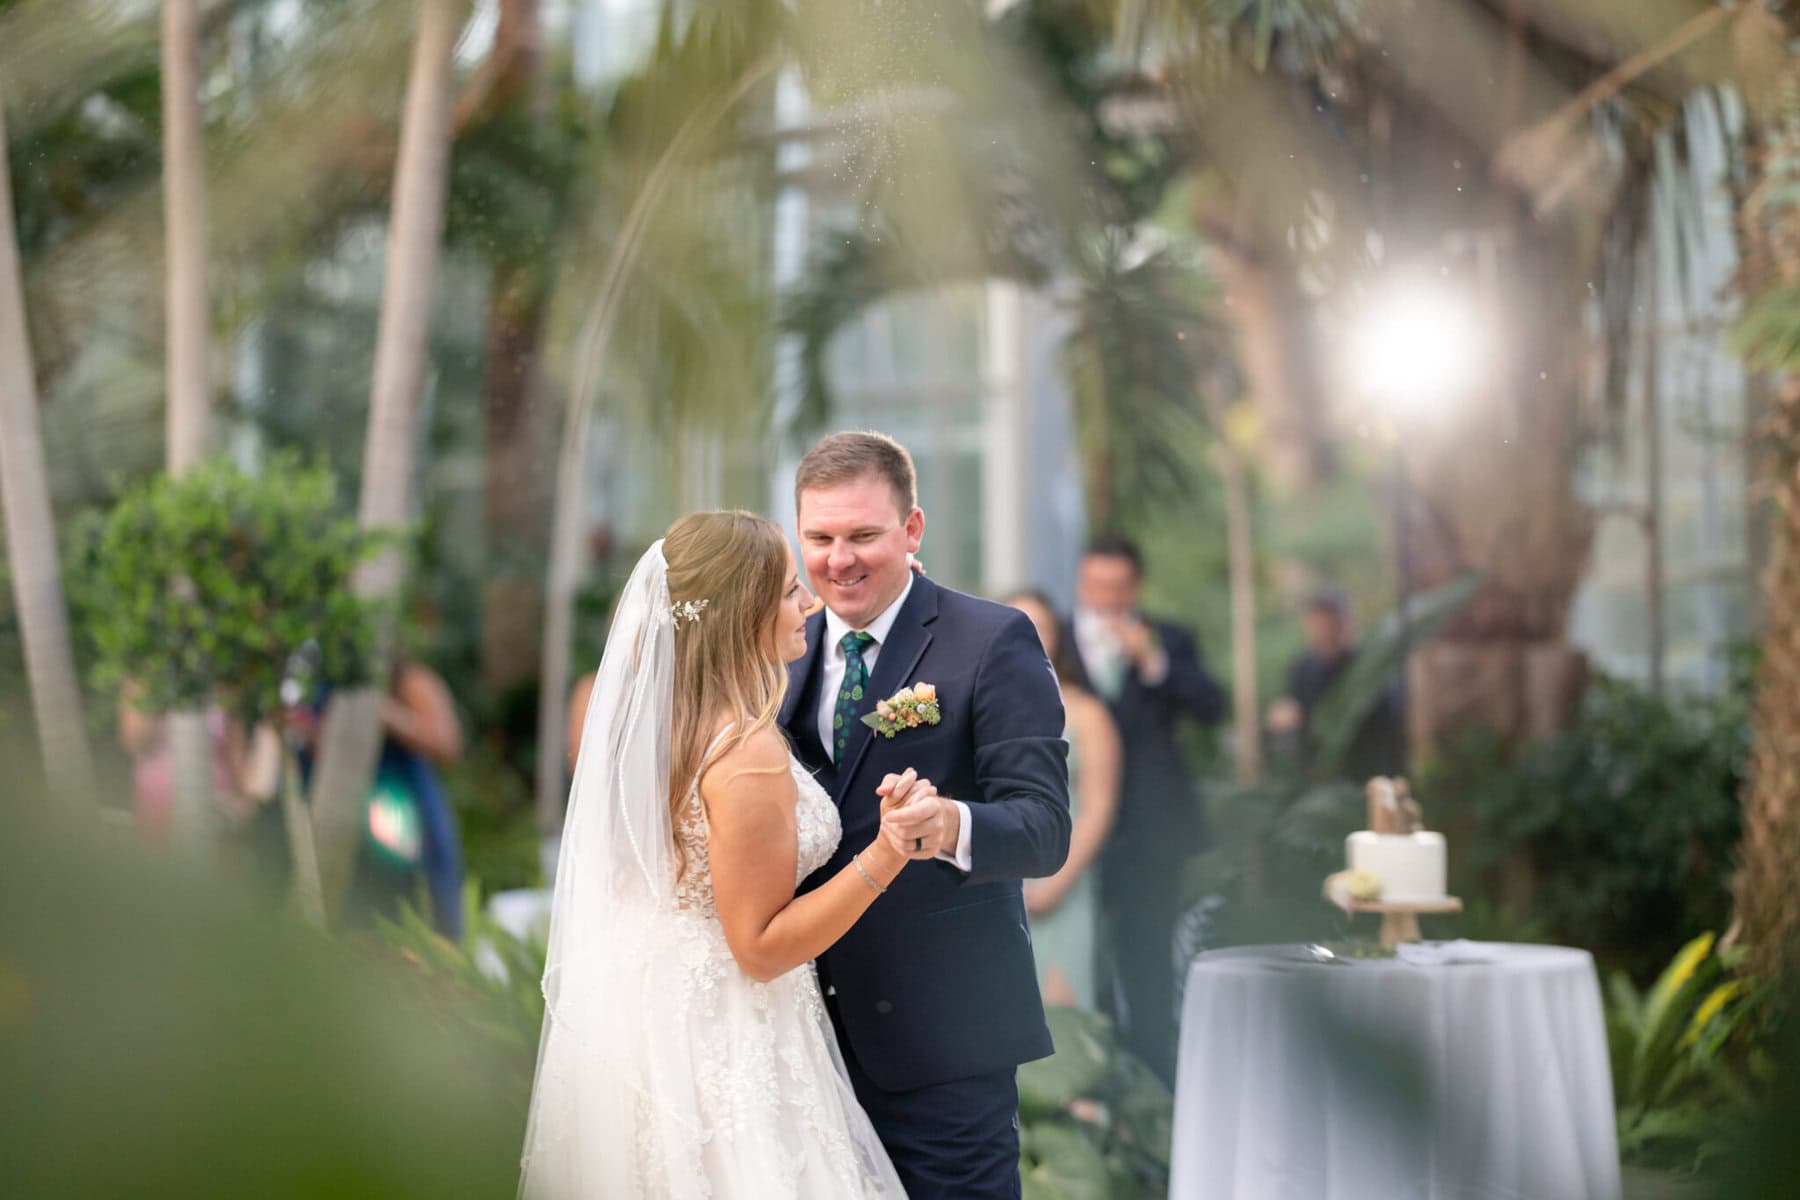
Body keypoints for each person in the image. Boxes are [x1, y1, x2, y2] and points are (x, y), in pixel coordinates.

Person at [520, 511, 919, 1197]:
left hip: (654, 1013)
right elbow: (759, 946)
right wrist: (887, 853)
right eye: (792, 590)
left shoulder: (659, 726)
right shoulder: (746, 753)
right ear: (744, 611)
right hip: (731, 1032)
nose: (810, 604)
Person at [781, 432, 1072, 1198]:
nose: (839, 560)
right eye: (820, 538)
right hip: (806, 1045)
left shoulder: (992, 640)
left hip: (948, 1049)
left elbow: (1044, 828)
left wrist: (952, 826)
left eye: (863, 536)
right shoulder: (781, 652)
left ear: (912, 531)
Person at [1059, 534, 1225, 1084]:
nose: (1106, 597)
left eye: (1118, 587)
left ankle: (1154, 1092)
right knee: (1080, 960)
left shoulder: (1168, 639)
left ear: (1137, 586)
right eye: (1096, 585)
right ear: (1082, 580)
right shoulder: (1049, 637)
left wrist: (1153, 662)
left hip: (1152, 833)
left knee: (1149, 963)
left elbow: (1212, 706)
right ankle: (1089, 1084)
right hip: (1071, 827)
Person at [282, 657, 467, 939]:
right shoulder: (315, 685)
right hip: (347, 822)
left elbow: (446, 743)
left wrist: (387, 714)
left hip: (407, 814)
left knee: (421, 913)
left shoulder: (409, 680)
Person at [1003, 589, 1120, 1010]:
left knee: (1061, 1026)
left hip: (1061, 882)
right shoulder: (976, 705)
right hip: (994, 886)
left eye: (1040, 627)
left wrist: (1055, 885)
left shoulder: (1087, 714)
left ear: (1057, 636)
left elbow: (1100, 805)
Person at [1266, 588, 1406, 782]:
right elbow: (1292, 705)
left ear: (1346, 623)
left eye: (1331, 626)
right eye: (1318, 627)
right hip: (1318, 775)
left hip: (1366, 773)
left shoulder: (1370, 665)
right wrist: (1285, 712)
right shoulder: (1303, 667)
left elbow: (1389, 716)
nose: (1325, 634)